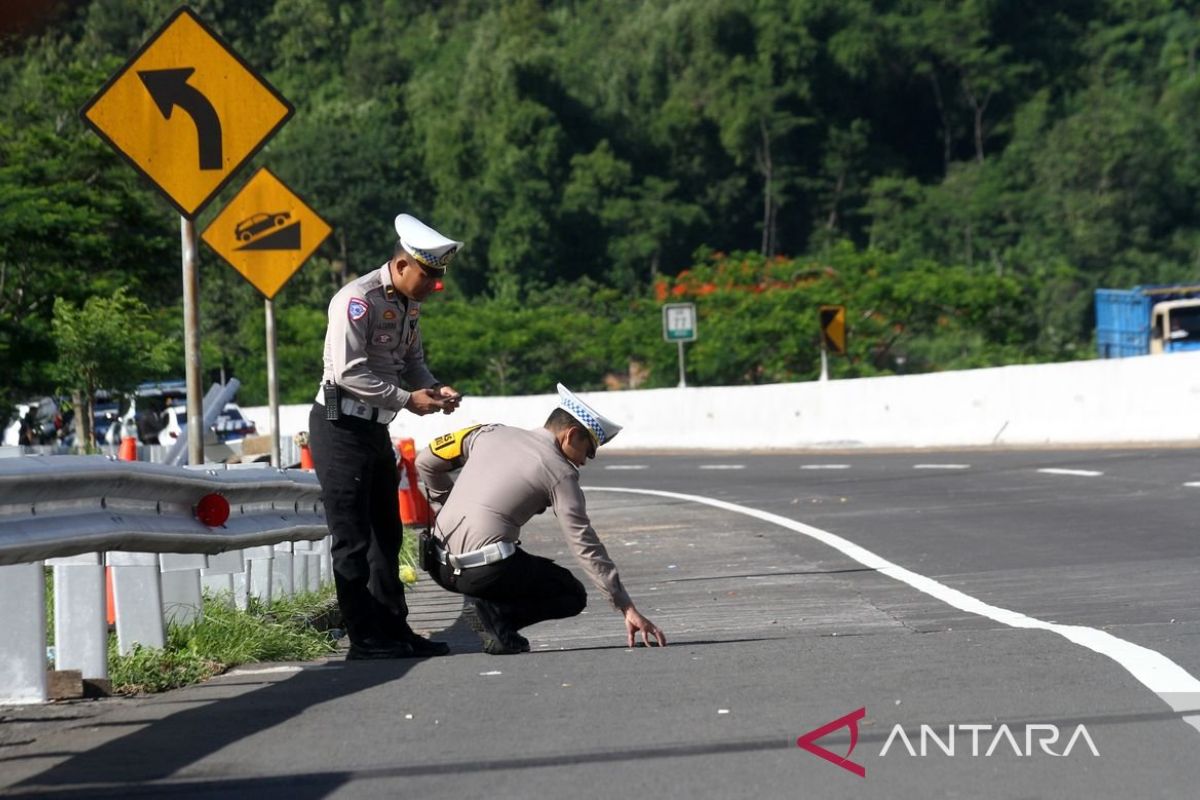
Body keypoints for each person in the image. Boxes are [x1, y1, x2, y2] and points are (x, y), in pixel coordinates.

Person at [309, 213, 465, 660]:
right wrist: (405, 399)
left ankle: (394, 629)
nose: (434, 286)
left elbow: (411, 361)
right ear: (401, 266)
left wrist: (434, 389)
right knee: (352, 539)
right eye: (428, 275)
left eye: (438, 277)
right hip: (340, 428)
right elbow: (348, 371)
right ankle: (364, 637)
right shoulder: (356, 300)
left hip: (376, 428)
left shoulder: (408, 306)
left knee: (387, 535)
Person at [416, 384, 667, 654]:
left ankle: (497, 627)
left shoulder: (486, 432)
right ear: (571, 435)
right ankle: (497, 617)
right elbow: (583, 544)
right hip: (483, 573)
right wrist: (626, 606)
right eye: (589, 450)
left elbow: (425, 462)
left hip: (438, 566)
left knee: (513, 561)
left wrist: (443, 507)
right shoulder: (560, 472)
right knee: (570, 593)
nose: (585, 461)